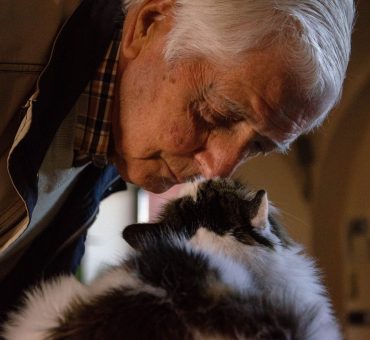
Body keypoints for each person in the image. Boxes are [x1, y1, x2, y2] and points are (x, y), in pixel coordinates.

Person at [0, 0, 354, 319]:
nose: (218, 169)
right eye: (215, 114)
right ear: (148, 25)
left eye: (258, 146)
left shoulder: (108, 141)